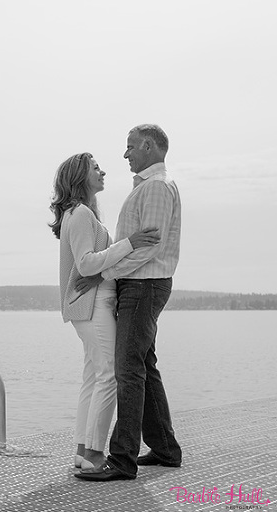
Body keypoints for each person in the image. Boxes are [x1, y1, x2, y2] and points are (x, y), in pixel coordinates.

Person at [75, 124, 183, 482]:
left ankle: (122, 459)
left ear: (149, 146)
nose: (126, 154)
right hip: (142, 285)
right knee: (144, 366)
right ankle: (166, 448)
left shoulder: (155, 188)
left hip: (143, 286)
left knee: (128, 371)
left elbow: (148, 246)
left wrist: (105, 274)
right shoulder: (151, 186)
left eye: (131, 146)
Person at [49, 152, 159, 470]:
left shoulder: (78, 212)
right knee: (108, 375)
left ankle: (84, 450)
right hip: (94, 303)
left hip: (88, 305)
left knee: (92, 377)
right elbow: (86, 264)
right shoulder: (81, 213)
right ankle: (95, 453)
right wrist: (130, 243)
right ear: (80, 176)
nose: (103, 172)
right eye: (96, 168)